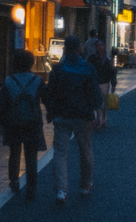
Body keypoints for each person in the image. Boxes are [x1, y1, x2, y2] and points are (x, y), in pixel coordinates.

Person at [44, 36, 102, 204]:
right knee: (85, 151)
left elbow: (50, 93)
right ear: (79, 49)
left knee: (60, 153)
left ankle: (61, 190)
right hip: (83, 116)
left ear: (65, 48)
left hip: (62, 116)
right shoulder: (88, 68)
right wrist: (98, 113)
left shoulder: (58, 69)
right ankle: (85, 185)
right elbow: (94, 92)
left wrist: (50, 111)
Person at [0, 49, 46, 201]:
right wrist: (51, 113)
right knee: (31, 156)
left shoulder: (8, 81)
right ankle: (31, 188)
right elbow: (46, 98)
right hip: (33, 124)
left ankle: (14, 181)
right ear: (31, 63)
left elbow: (2, 104)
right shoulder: (38, 81)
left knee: (14, 152)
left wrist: (0, 123)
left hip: (13, 123)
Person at [91, 38, 116, 130]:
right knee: (95, 101)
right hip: (94, 83)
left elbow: (113, 72)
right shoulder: (92, 58)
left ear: (104, 47)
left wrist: (113, 84)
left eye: (101, 45)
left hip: (105, 83)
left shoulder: (108, 59)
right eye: (97, 46)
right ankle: (97, 118)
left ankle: (103, 119)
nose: (99, 47)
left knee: (104, 102)